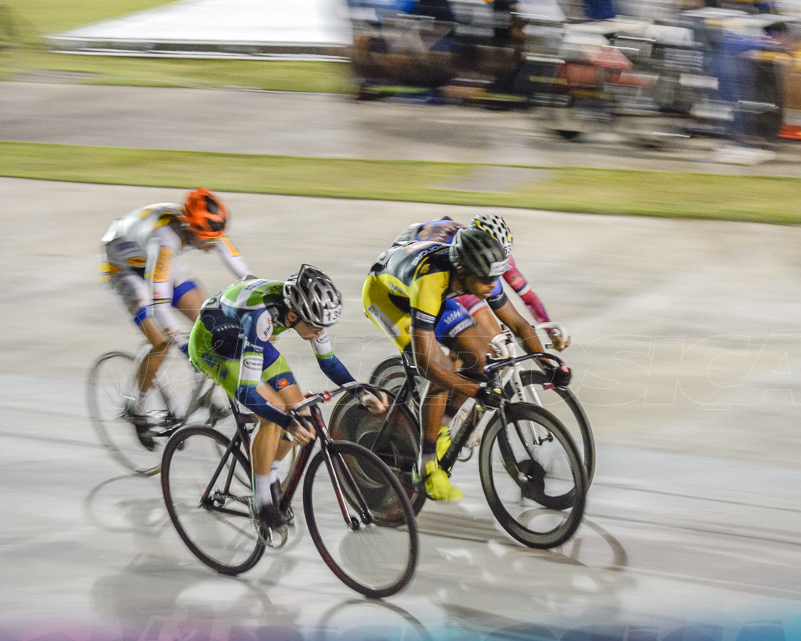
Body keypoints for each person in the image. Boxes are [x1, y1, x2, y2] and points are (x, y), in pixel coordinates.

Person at [362, 227, 571, 502]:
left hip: (436, 294)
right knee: (439, 372)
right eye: (485, 280)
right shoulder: (431, 281)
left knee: (481, 361)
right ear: (463, 270)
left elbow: (519, 324)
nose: (491, 285)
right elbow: (427, 365)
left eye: (494, 278)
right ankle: (424, 467)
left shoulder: (482, 276)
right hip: (386, 298)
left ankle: (443, 427)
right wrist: (475, 391)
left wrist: (548, 364)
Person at [189, 266, 389, 534]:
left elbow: (328, 363)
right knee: (273, 417)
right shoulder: (260, 318)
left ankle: (270, 476)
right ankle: (262, 503)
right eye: (316, 327)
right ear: (294, 315)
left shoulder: (303, 311)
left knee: (301, 413)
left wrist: (359, 392)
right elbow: (250, 393)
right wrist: (285, 420)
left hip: (248, 338)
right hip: (213, 346)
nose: (320, 333)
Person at [100, 188, 251, 449]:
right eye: (207, 240)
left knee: (211, 319)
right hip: (124, 269)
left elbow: (241, 269)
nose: (211, 245)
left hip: (152, 260)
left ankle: (202, 396)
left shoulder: (202, 226)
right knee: (162, 343)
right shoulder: (165, 242)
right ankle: (137, 405)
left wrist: (263, 293)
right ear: (191, 229)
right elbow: (159, 303)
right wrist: (182, 344)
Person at [392, 213, 571, 352]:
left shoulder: (495, 256)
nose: (499, 263)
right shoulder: (459, 254)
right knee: (482, 342)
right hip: (410, 260)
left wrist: (550, 331)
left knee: (489, 340)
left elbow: (527, 296)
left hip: (437, 244)